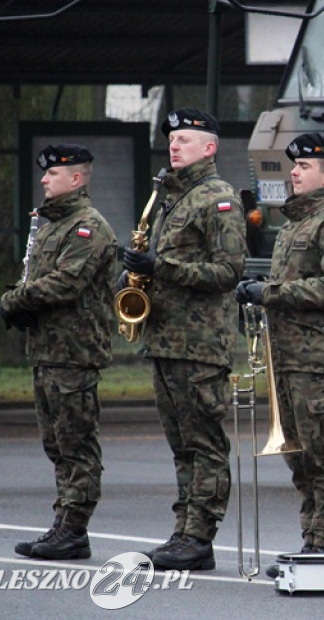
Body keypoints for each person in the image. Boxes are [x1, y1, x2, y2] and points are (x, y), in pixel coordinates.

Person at [123, 107, 247, 571]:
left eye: (185, 140)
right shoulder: (170, 197)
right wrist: (136, 278)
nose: (174, 145)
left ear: (209, 148)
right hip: (167, 339)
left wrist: (162, 268)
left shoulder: (217, 198)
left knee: (204, 443)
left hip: (199, 344)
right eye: (172, 139)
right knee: (181, 445)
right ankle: (184, 531)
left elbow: (228, 271)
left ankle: (199, 535)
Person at [236, 133, 324, 559]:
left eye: (304, 167)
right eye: (294, 166)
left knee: (320, 452)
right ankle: (313, 534)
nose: (294, 172)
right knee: (297, 456)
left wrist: (268, 293)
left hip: (320, 358)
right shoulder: (294, 224)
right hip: (288, 356)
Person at [2, 144, 117, 561]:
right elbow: (36, 273)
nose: (45, 179)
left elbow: (66, 282)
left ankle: (73, 528)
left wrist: (17, 300)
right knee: (56, 443)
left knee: (77, 444)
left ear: (77, 178)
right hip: (48, 349)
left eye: (54, 174)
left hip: (74, 351)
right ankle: (64, 524)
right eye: (45, 174)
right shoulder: (49, 224)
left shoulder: (88, 226)